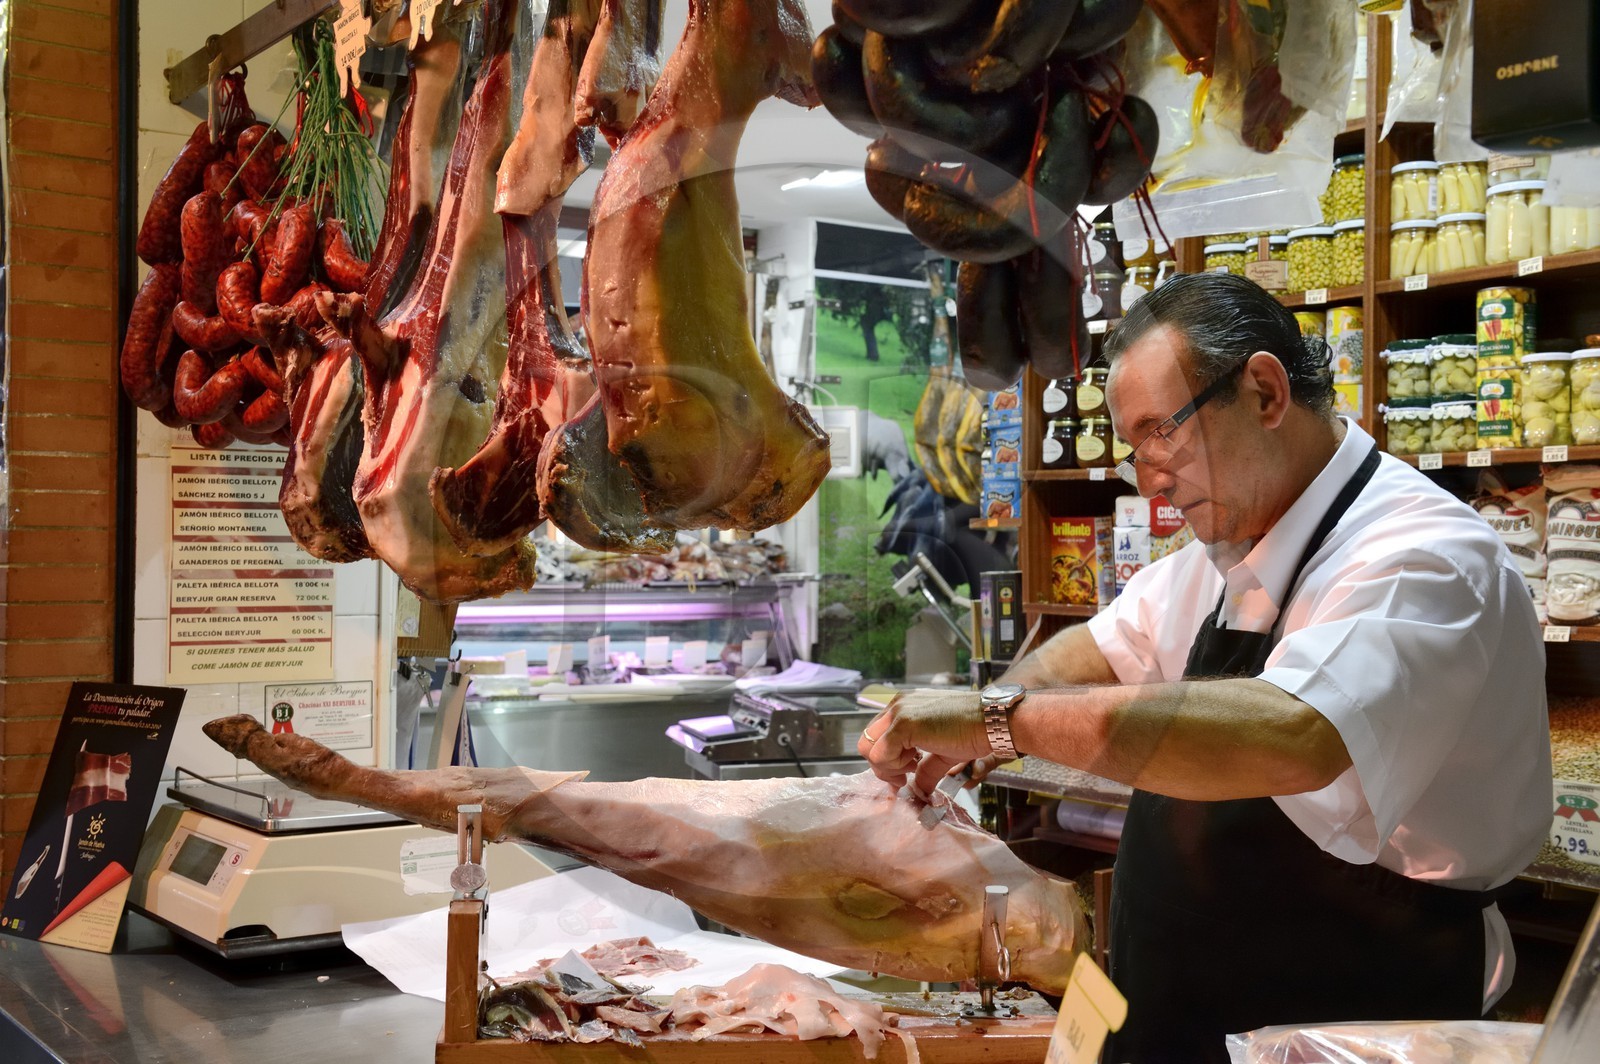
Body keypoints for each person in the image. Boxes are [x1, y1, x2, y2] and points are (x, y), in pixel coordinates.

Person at [858, 273, 1552, 1062]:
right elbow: (1101, 648)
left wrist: (998, 723)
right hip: (1181, 1014)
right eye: (1133, 445)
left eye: (1162, 432)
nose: (1147, 474)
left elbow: (1295, 734)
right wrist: (995, 711)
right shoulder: (1228, 547)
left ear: (1262, 391)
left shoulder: (1421, 555)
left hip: (1348, 1015)